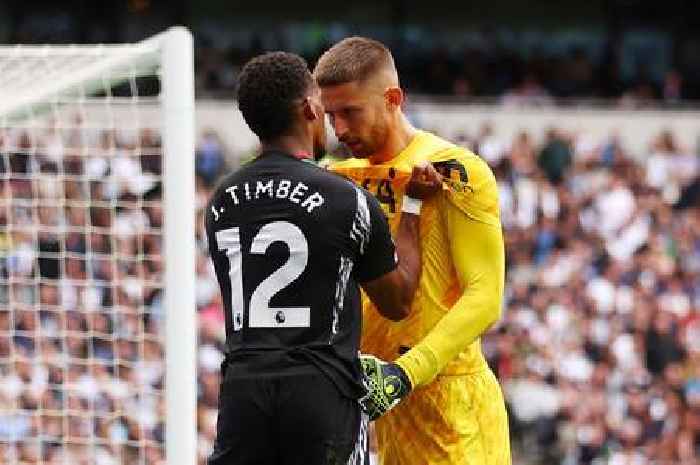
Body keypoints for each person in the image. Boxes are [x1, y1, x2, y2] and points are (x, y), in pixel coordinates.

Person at [205, 51, 440, 465]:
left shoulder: (222, 201)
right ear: (310, 107)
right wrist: (413, 209)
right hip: (321, 394)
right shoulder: (345, 199)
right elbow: (398, 300)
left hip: (244, 395)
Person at [314, 37, 511, 465]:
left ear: (393, 98)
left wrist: (406, 374)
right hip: (382, 408)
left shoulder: (454, 170)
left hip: (450, 408)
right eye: (331, 116)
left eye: (351, 112)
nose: (340, 130)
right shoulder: (336, 178)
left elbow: (485, 297)